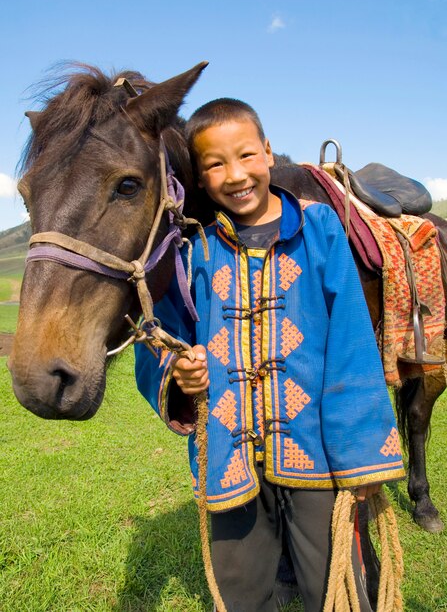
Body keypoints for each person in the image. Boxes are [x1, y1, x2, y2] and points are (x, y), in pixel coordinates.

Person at [135, 98, 405, 612]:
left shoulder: (319, 229)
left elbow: (351, 345)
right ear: (199, 175)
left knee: (337, 588)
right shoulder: (196, 249)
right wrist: (179, 371)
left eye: (245, 156)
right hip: (227, 454)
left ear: (268, 153)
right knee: (240, 593)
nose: (235, 175)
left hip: (317, 455)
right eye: (215, 164)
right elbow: (161, 338)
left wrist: (362, 456)